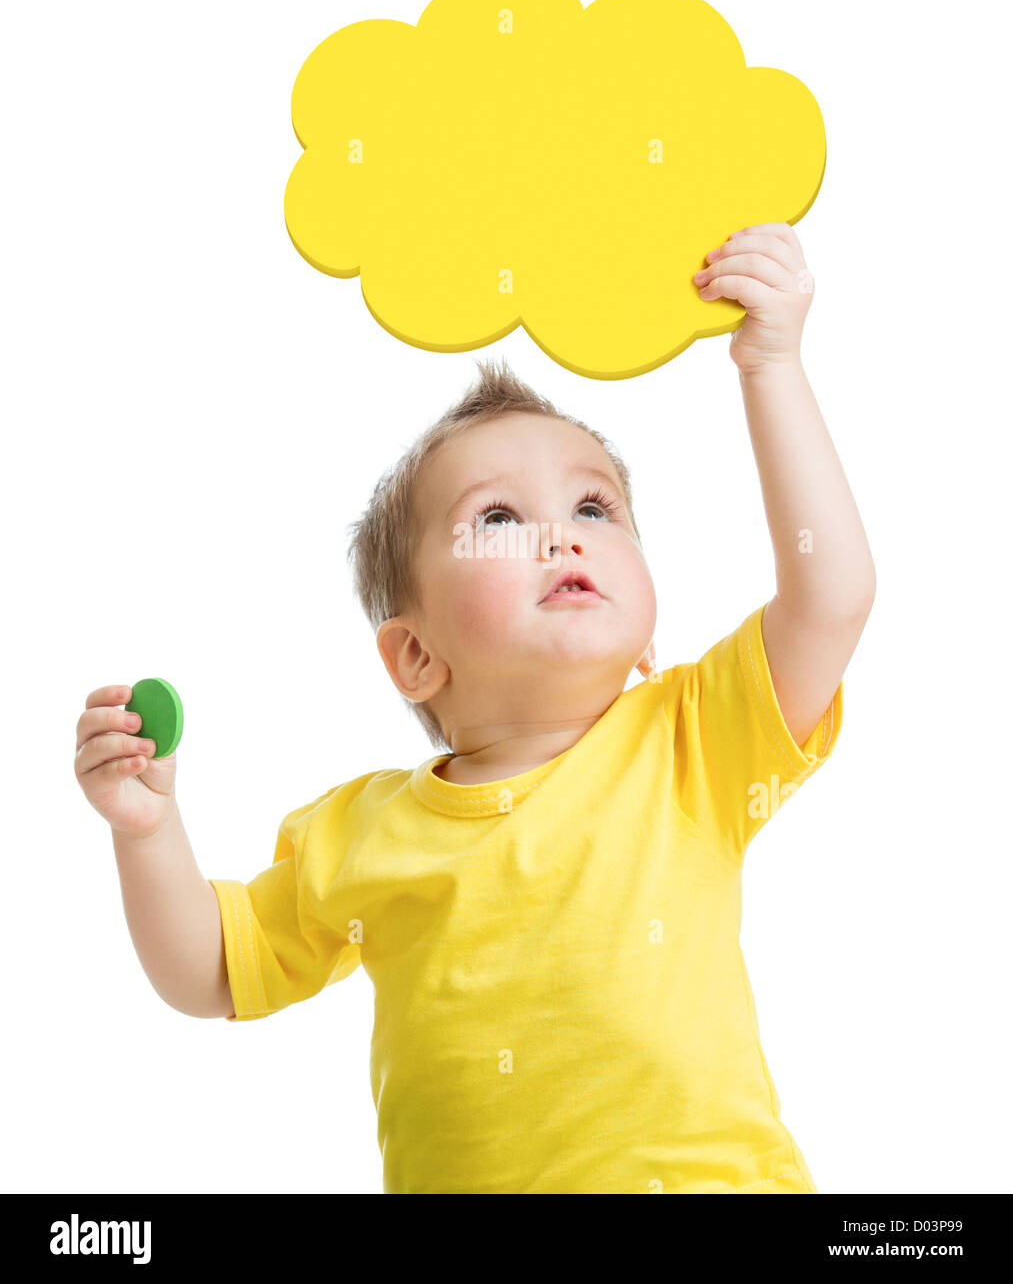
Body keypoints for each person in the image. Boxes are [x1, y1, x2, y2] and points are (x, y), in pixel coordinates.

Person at [75, 223, 875, 1193]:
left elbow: (830, 591)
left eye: (594, 508)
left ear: (647, 637)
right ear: (415, 656)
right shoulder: (357, 834)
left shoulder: (687, 741)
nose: (560, 537)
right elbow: (208, 971)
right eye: (497, 519)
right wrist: (147, 829)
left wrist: (771, 365)